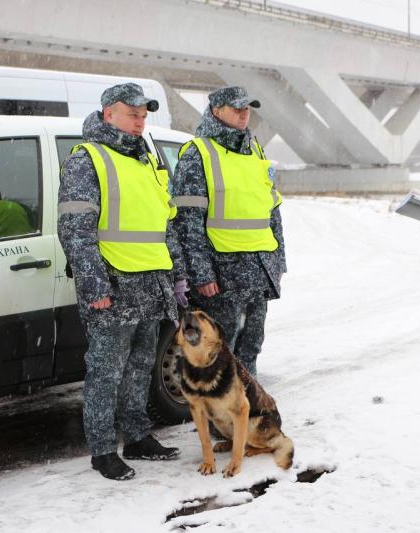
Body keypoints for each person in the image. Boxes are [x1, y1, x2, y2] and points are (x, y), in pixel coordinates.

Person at [57, 83, 188, 481]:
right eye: (132, 114)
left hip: (151, 283)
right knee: (105, 371)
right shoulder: (88, 159)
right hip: (114, 287)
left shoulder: (147, 161)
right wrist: (94, 287)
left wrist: (177, 274)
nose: (139, 122)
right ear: (108, 113)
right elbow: (75, 230)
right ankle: (101, 451)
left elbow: (165, 224)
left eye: (143, 116)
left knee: (140, 367)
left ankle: (136, 437)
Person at [172, 86, 286, 377]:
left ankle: (243, 410)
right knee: (218, 354)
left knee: (251, 346)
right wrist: (202, 274)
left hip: (259, 269)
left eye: (247, 108)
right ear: (215, 111)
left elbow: (271, 210)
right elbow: (188, 223)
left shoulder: (255, 149)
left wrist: (278, 261)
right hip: (223, 276)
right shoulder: (198, 154)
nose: (244, 113)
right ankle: (217, 417)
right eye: (237, 108)